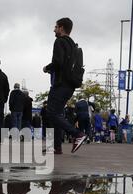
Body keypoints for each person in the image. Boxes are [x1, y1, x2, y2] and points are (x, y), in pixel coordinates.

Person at [43, 17, 86, 154]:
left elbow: (58, 62)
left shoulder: (59, 41)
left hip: (60, 84)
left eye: (55, 27)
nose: (54, 30)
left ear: (61, 28)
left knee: (51, 113)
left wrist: (46, 68)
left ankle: (77, 134)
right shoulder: (73, 45)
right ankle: (57, 147)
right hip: (70, 85)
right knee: (57, 114)